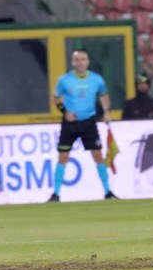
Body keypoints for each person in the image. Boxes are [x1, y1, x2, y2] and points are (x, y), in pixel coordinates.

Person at [47, 49, 117, 202]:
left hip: (89, 122)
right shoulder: (64, 80)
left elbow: (103, 95)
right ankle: (55, 194)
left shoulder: (97, 79)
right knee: (63, 156)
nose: (80, 62)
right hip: (70, 124)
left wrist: (107, 111)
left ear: (88, 61)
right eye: (77, 60)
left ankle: (107, 192)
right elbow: (56, 98)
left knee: (97, 155)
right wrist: (64, 111)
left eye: (83, 59)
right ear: (73, 62)